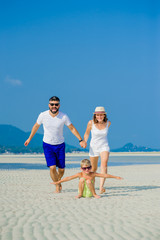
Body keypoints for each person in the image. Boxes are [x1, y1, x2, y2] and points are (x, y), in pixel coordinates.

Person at [24, 96, 86, 193]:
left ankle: (58, 181)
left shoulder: (64, 116)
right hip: (47, 145)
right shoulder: (42, 115)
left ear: (59, 105)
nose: (54, 106)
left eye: (56, 104)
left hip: (60, 145)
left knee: (61, 170)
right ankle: (57, 185)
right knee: (52, 167)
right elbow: (36, 126)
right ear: (49, 105)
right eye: (52, 104)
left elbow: (72, 128)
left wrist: (80, 140)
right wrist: (29, 138)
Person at [51, 159, 122, 198]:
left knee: (88, 181)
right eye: (84, 168)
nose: (87, 170)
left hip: (89, 193)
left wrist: (115, 177)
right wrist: (57, 182)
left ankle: (94, 194)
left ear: (91, 167)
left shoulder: (93, 174)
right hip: (81, 192)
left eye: (88, 168)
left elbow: (104, 175)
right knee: (82, 179)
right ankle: (80, 194)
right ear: (81, 169)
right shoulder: (80, 174)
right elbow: (69, 178)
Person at [84, 106, 111, 194]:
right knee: (93, 169)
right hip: (94, 147)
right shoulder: (90, 123)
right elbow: (87, 134)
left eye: (101, 115)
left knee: (104, 164)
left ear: (104, 115)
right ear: (95, 116)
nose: (99, 117)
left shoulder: (108, 123)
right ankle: (92, 187)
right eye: (97, 115)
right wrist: (84, 142)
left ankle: (101, 187)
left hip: (104, 146)